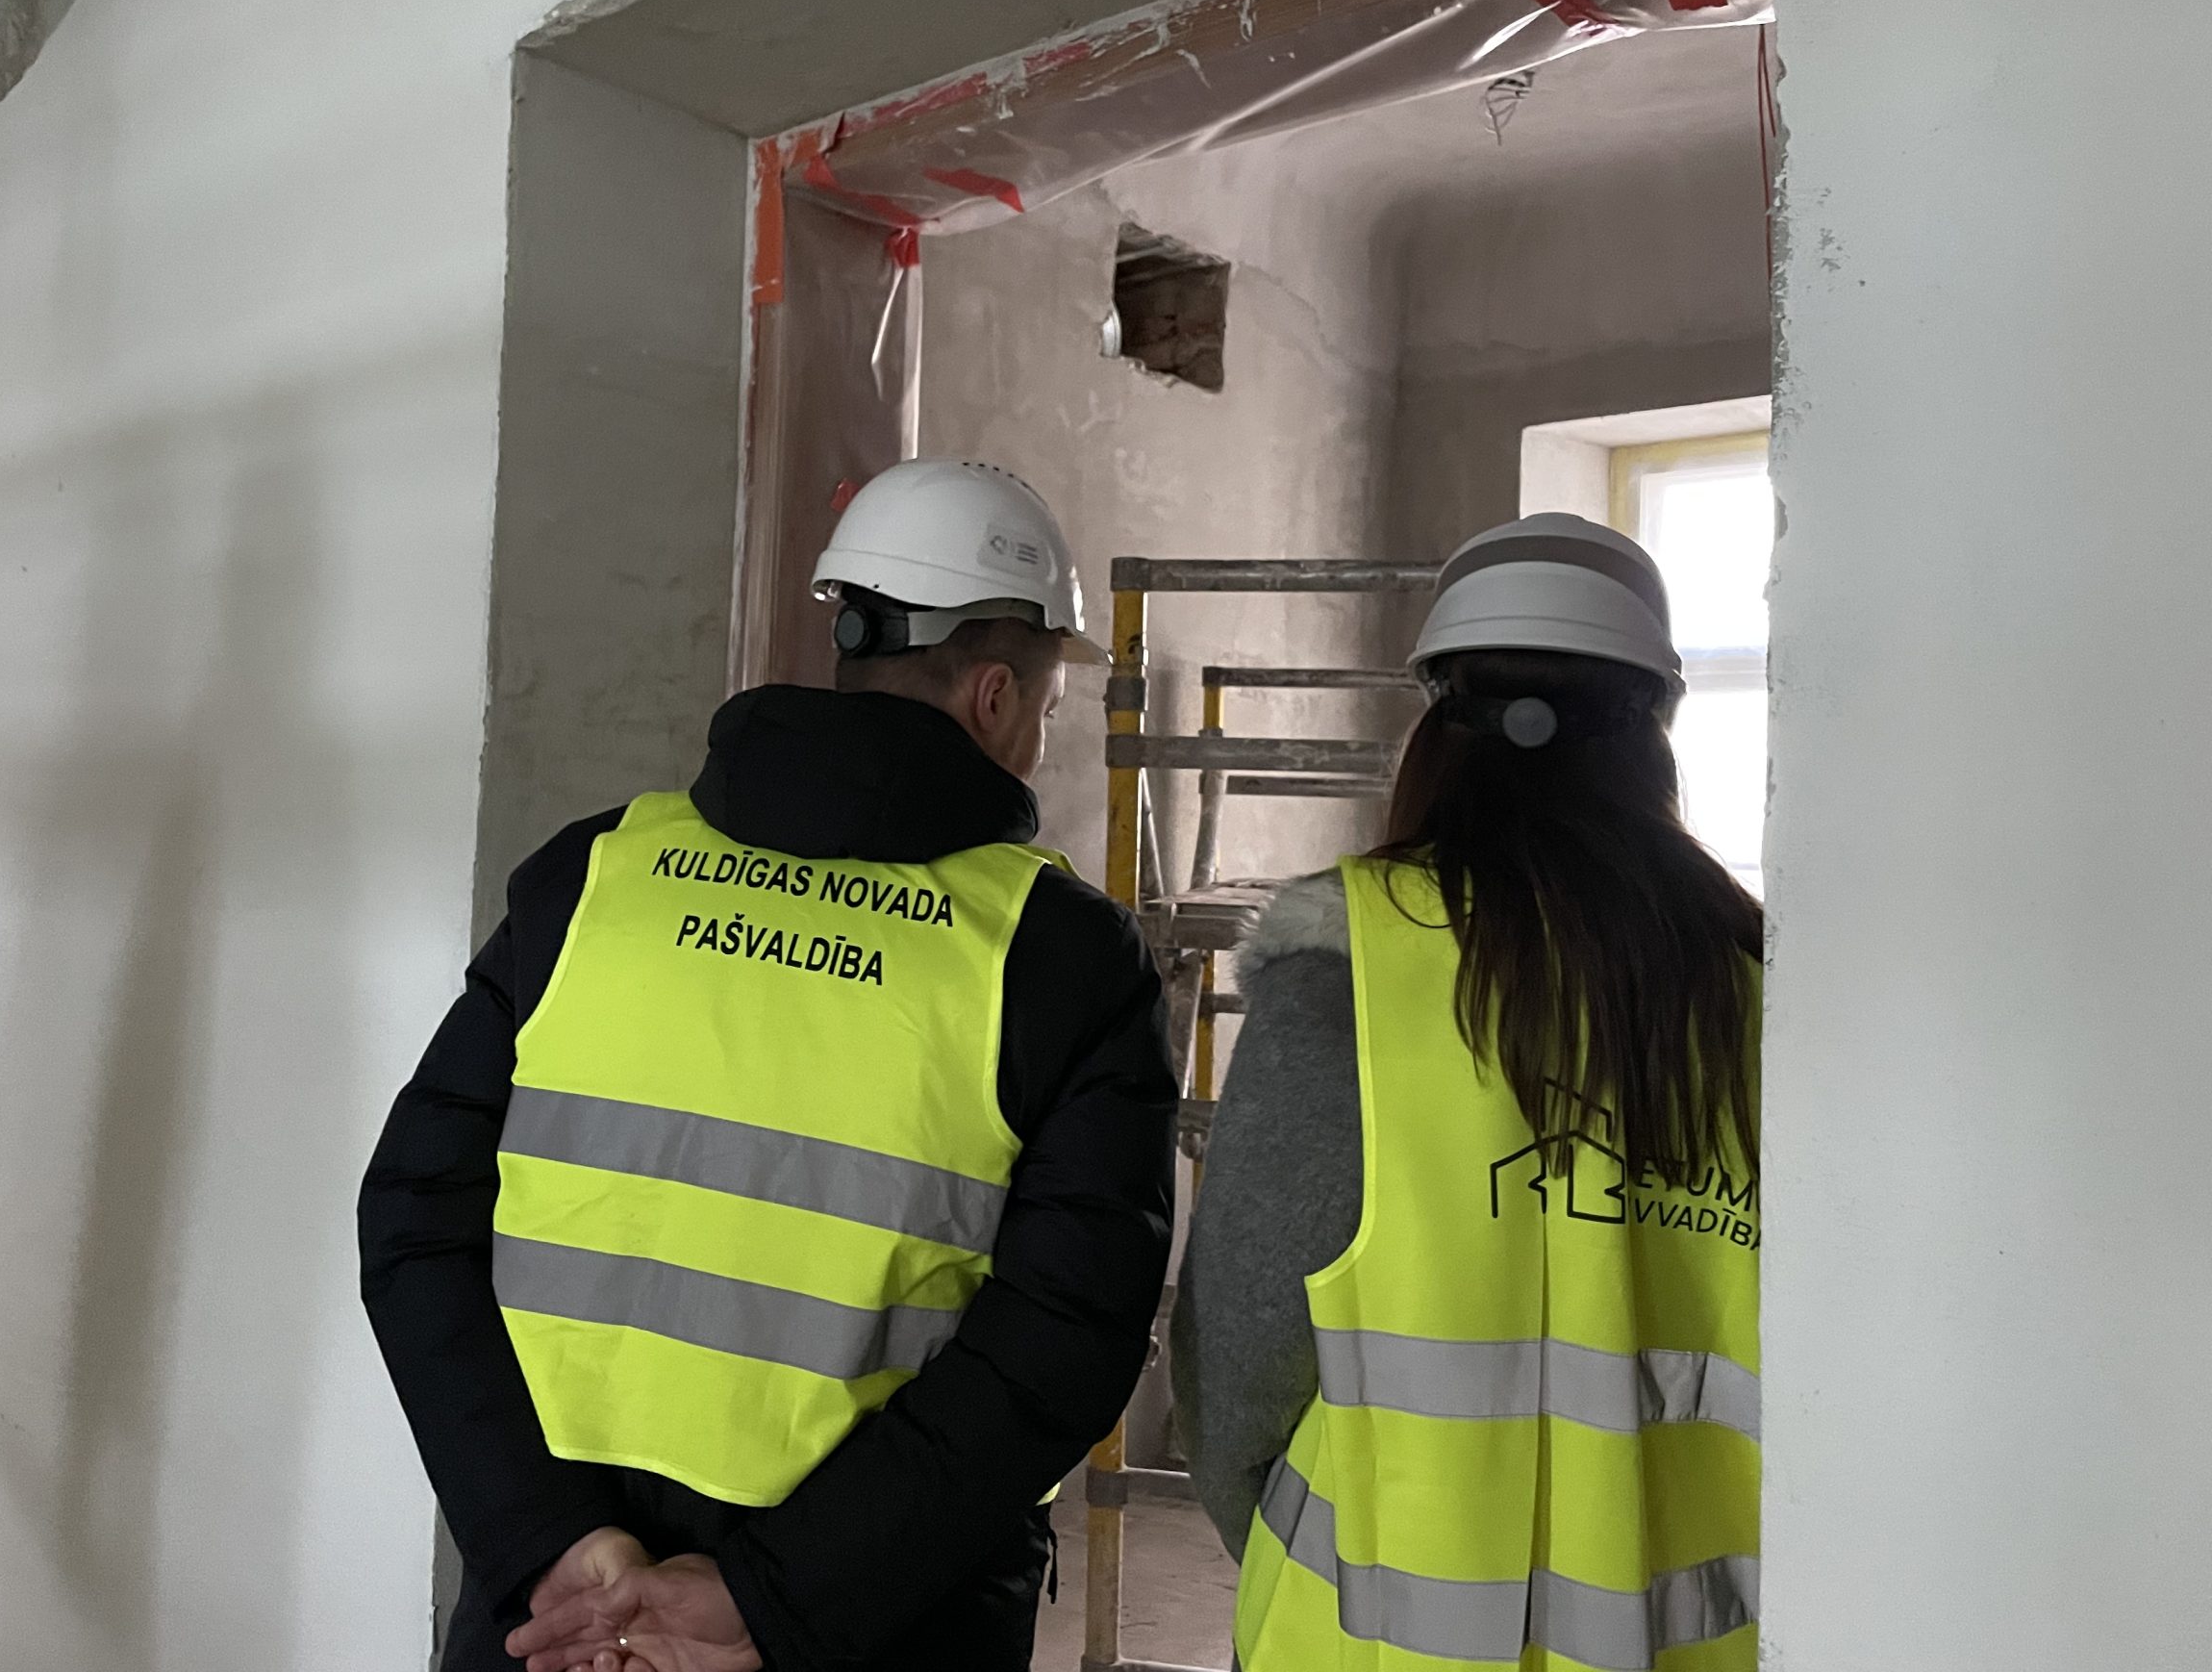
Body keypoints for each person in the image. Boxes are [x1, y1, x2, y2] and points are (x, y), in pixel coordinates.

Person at [360, 459, 1177, 1672]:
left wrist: (546, 1540)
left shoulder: (593, 877)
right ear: (996, 695)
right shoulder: (1060, 958)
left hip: (562, 1626)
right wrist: (766, 1596)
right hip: (873, 1625)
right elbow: (1065, 1339)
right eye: (1047, 709)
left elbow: (413, 1220)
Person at [1175, 513, 1763, 1670]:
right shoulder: (1772, 1002)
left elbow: (1236, 1371)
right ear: (1655, 731)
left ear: (1437, 728)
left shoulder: (1350, 972)